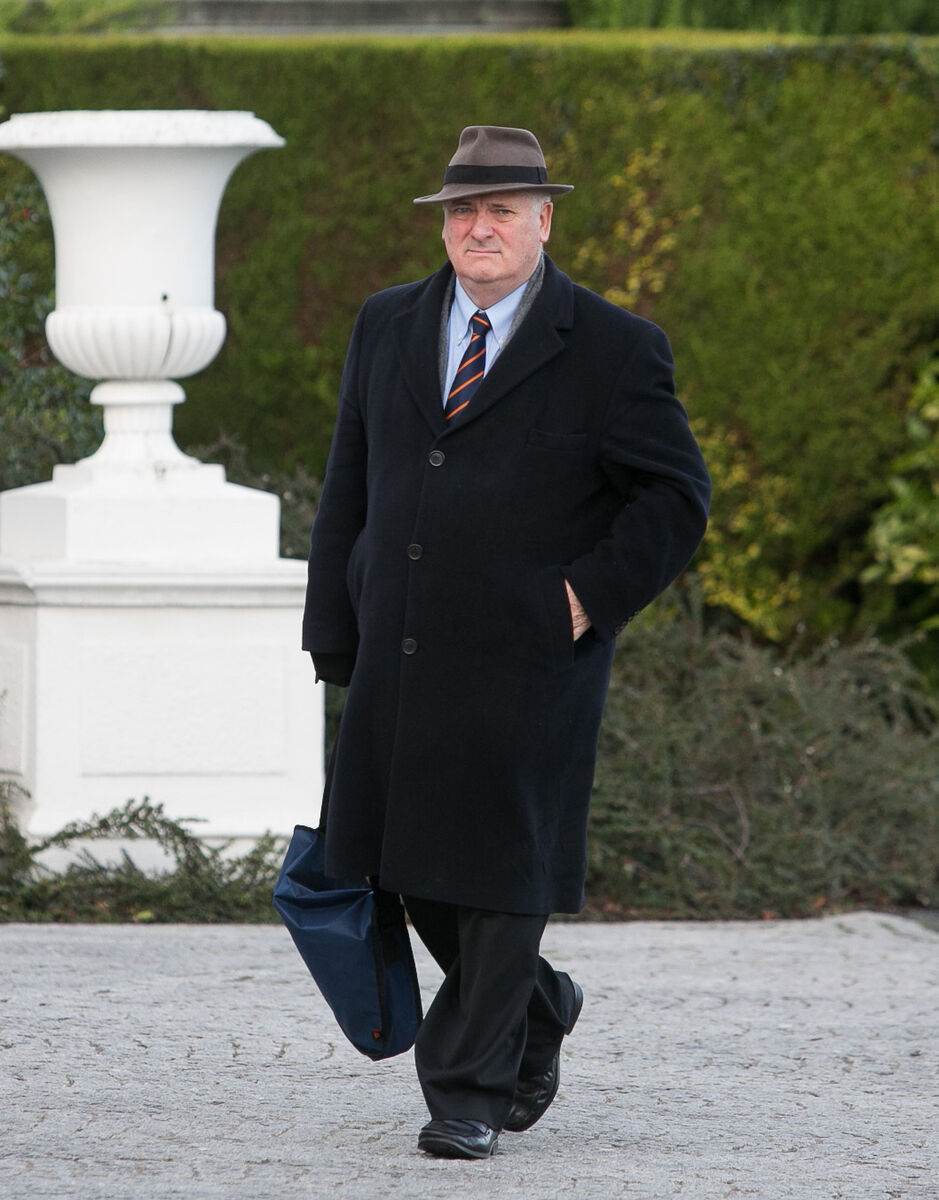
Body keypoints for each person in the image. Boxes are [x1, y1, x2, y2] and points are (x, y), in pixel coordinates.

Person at [302, 125, 711, 1160]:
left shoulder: (617, 347)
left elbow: (675, 497)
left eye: (499, 211)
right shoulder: (386, 323)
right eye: (460, 211)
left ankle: (469, 1091)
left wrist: (583, 600)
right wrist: (332, 628)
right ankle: (537, 1004)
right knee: (395, 863)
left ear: (543, 220)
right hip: (398, 646)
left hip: (532, 657)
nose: (477, 228)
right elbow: (349, 479)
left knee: (499, 870)